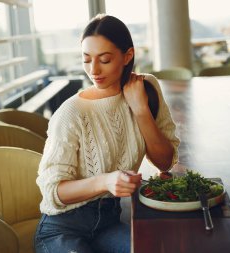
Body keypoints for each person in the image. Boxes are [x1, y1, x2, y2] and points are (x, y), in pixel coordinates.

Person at [34, 14, 180, 253]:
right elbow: (52, 192)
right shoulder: (71, 112)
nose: (93, 70)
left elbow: (165, 162)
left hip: (108, 224)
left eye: (104, 59)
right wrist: (105, 181)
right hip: (62, 229)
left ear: (127, 56)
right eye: (86, 59)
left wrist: (141, 111)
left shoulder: (147, 88)